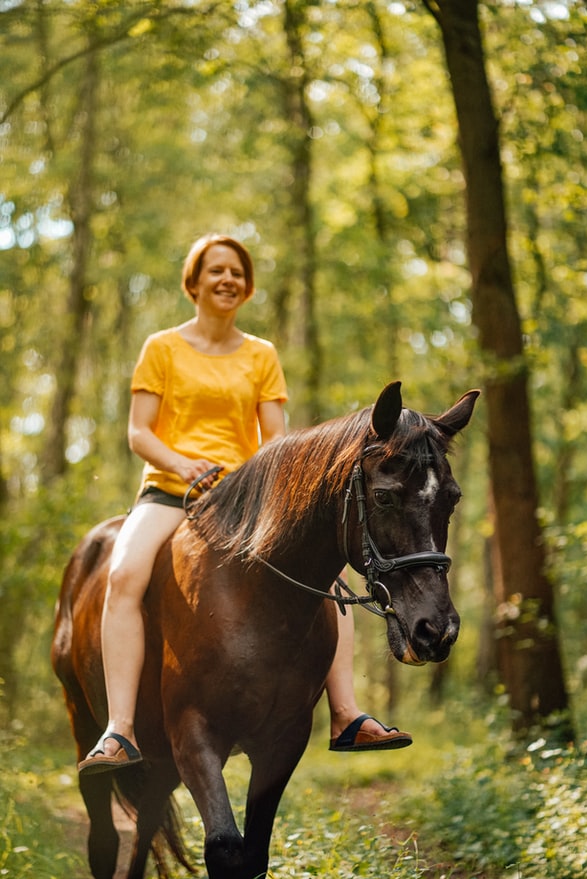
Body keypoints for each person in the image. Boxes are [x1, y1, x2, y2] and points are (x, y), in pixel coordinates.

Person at [78, 234, 412, 773]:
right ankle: (119, 731)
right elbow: (139, 432)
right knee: (124, 575)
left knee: (332, 583)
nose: (227, 279)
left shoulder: (262, 354)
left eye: (236, 271)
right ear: (194, 282)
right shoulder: (161, 348)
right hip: (171, 490)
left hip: (244, 499)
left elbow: (275, 442)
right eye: (216, 270)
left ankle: (347, 715)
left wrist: (259, 487)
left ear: (247, 285)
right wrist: (184, 464)